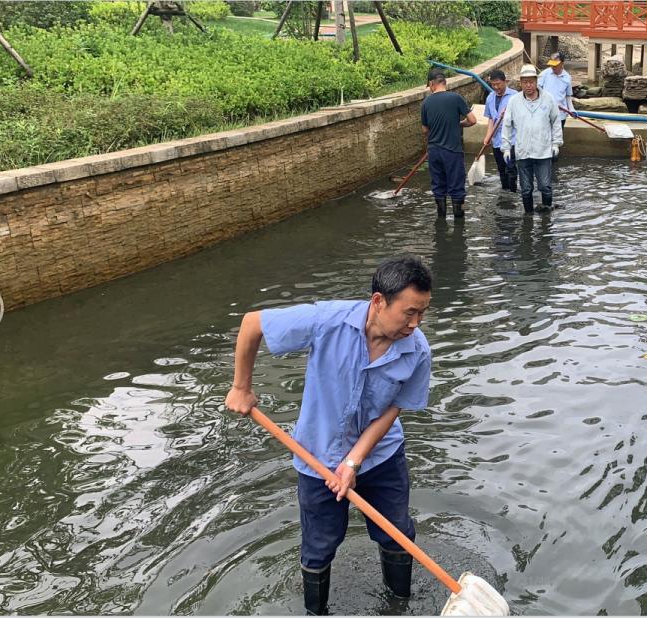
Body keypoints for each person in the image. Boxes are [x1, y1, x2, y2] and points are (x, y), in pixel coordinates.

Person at [225, 255, 434, 615]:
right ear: (379, 301)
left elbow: (392, 411)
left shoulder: (417, 350)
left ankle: (399, 606)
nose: (415, 324)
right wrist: (241, 386)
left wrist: (353, 462)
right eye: (409, 312)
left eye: (423, 313)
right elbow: (252, 323)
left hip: (381, 456)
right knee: (319, 545)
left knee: (397, 533)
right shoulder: (327, 321)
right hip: (317, 457)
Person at [500, 64, 563, 214]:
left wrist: (556, 144)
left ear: (536, 81)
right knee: (526, 188)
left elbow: (556, 122)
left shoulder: (548, 99)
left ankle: (547, 215)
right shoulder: (514, 101)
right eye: (525, 82)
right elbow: (507, 125)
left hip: (543, 151)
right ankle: (528, 217)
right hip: (523, 151)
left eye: (531, 82)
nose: (528, 85)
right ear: (521, 83)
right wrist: (506, 148)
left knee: (545, 186)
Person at [422, 70, 477, 218]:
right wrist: (458, 124)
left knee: (438, 187)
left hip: (434, 151)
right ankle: (459, 224)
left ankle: (441, 220)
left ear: (432, 84)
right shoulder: (456, 98)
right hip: (452, 151)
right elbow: (472, 120)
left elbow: (425, 130)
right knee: (456, 187)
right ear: (444, 82)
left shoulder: (426, 103)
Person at [482, 69, 518, 192]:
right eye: (493, 85)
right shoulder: (490, 98)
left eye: (498, 84)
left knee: (511, 168)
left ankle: (513, 193)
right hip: (497, 140)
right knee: (501, 169)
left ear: (505, 81)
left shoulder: (514, 96)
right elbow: (491, 119)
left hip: (511, 140)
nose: (496, 87)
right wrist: (488, 136)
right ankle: (505, 193)